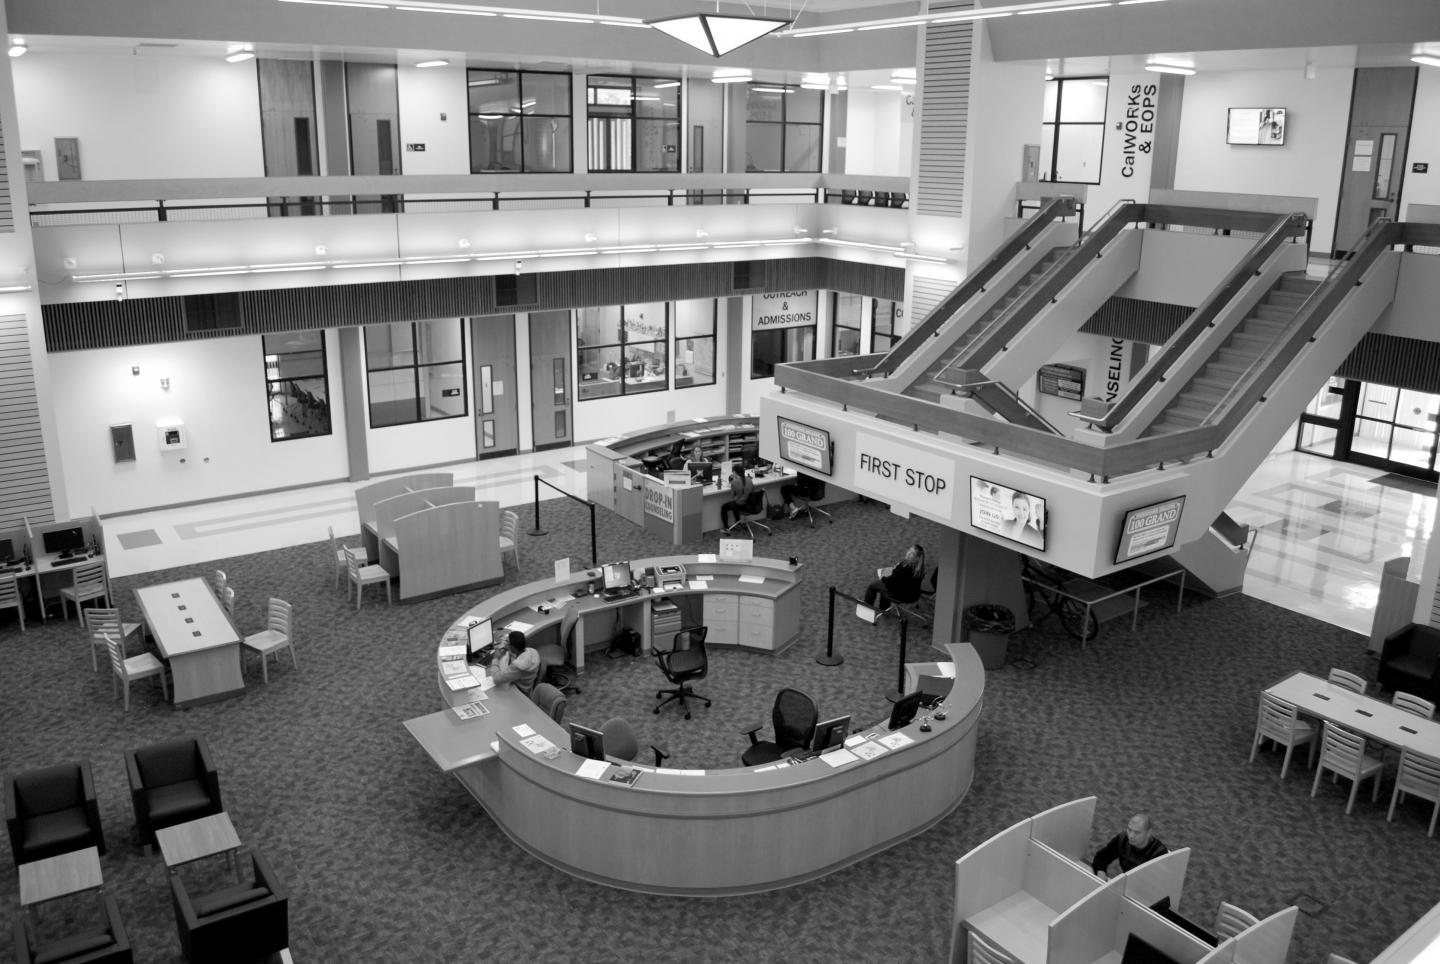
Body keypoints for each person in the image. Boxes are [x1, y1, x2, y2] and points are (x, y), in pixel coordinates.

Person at [1090, 813, 1167, 879]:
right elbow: (1101, 857)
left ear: (1148, 833)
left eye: (1137, 832)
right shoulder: (1123, 838)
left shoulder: (1159, 854)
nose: (1131, 836)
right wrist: (1100, 871)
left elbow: (1158, 883)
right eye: (1129, 830)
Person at [863, 544, 926, 613]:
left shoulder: (905, 569)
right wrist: (898, 568)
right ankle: (884, 609)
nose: (908, 553)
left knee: (873, 585)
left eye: (912, 553)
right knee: (883, 587)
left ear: (916, 558)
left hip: (901, 595)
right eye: (909, 550)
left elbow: (891, 581)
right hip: (913, 594)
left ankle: (867, 608)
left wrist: (882, 578)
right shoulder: (920, 567)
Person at [489, 630, 541, 695]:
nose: (506, 643)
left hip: (520, 691)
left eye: (507, 642)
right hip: (528, 685)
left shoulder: (518, 666)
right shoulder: (532, 651)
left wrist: (495, 658)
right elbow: (516, 654)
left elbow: (496, 679)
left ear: (513, 647)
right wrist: (508, 650)